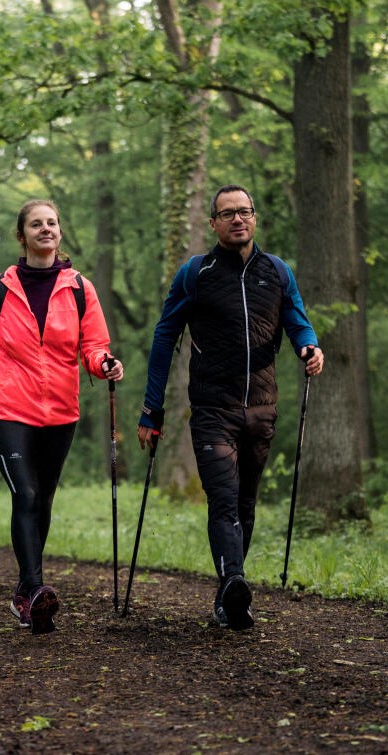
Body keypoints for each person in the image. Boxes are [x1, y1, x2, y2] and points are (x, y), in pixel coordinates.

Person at [137, 184, 324, 631]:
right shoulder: (195, 273)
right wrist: (151, 408)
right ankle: (233, 584)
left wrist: (309, 347)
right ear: (214, 223)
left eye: (245, 212)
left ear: (254, 218)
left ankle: (230, 591)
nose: (238, 219)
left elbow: (297, 321)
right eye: (228, 213)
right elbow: (165, 338)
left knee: (245, 503)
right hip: (212, 409)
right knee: (223, 500)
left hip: (262, 408)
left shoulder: (277, 272)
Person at [0, 199, 123, 635]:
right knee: (25, 494)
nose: (46, 229)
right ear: (21, 236)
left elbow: (92, 345)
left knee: (42, 499)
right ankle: (34, 591)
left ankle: (27, 593)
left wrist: (104, 364)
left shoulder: (80, 287)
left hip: (61, 411)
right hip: (8, 409)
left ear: (60, 233)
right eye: (36, 224)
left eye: (52, 223)